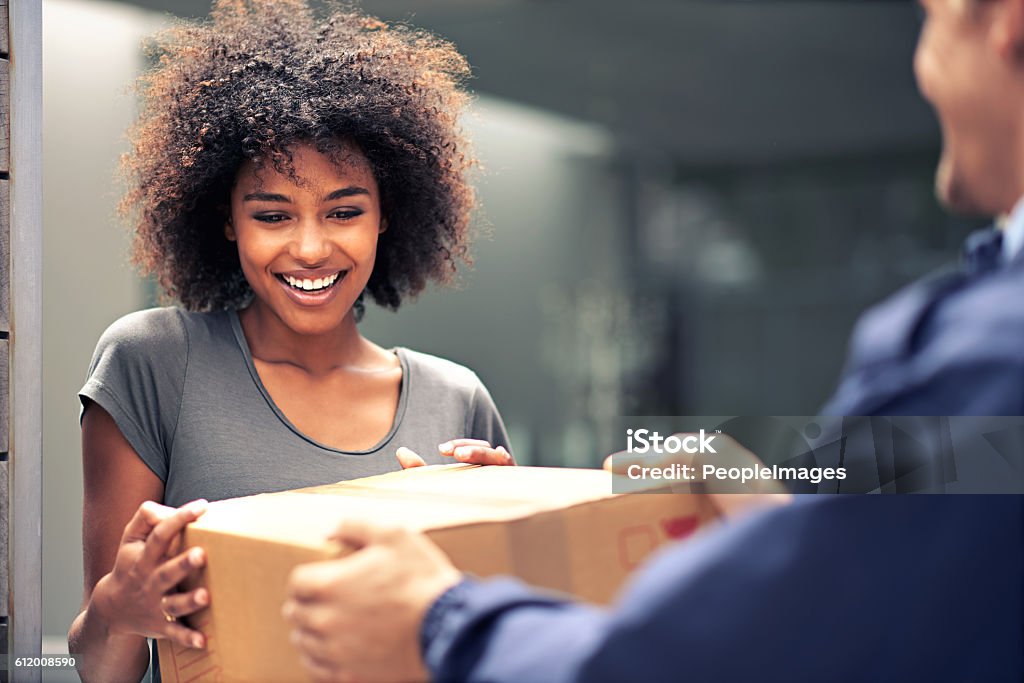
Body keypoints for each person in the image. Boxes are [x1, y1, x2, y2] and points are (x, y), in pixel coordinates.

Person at [281, 0, 1024, 681]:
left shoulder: (991, 346)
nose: (924, 70)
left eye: (933, 18)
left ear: (1006, 23)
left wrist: (440, 621)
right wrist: (793, 517)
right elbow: (965, 530)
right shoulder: (984, 349)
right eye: (275, 213)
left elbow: (688, 661)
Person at [66, 2, 515, 682]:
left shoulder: (456, 399)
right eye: (273, 214)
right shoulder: (152, 363)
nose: (310, 248)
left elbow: (487, 649)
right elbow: (102, 670)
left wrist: (511, 532)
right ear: (225, 218)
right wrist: (118, 608)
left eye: (344, 211)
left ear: (386, 215)